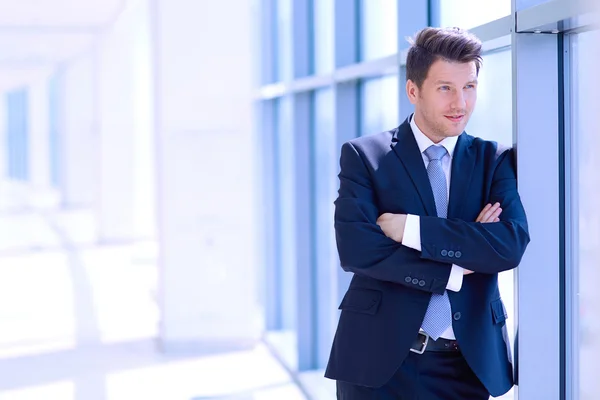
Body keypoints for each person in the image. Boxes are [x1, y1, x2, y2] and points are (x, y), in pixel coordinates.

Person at [325, 27, 530, 399]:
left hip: (466, 365)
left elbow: (508, 245)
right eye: (445, 88)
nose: (461, 103)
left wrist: (411, 230)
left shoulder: (494, 160)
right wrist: (458, 263)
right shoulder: (365, 157)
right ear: (413, 90)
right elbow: (357, 249)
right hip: (377, 361)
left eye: (469, 87)